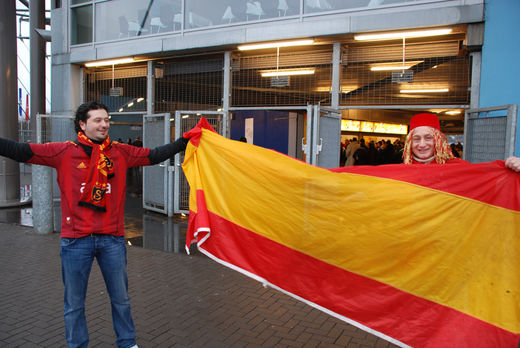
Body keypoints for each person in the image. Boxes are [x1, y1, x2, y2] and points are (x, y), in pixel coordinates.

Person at [0, 101, 190, 348]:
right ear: (82, 124)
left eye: (106, 120)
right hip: (76, 240)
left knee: (121, 299)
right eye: (97, 120)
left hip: (112, 239)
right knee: (74, 304)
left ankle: (127, 343)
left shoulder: (120, 152)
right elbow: (20, 150)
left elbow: (153, 156)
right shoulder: (63, 151)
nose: (104, 124)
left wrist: (184, 141)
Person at [402, 112, 520, 171]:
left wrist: (511, 168)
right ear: (409, 144)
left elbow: (493, 181)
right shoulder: (399, 173)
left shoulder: (460, 168)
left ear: (439, 141)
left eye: (428, 138)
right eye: (416, 139)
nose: (422, 144)